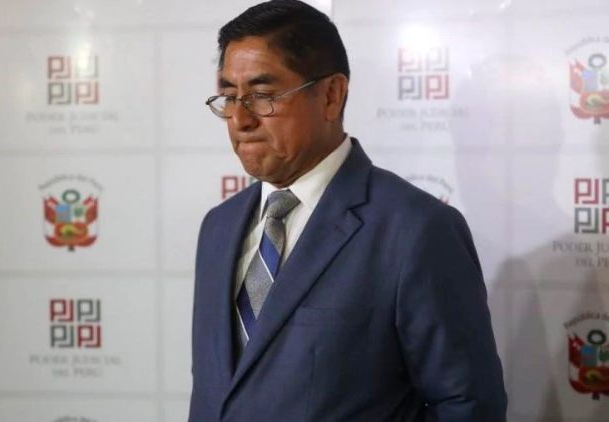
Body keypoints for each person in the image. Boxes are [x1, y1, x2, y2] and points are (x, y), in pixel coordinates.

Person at [189, 1, 507, 420]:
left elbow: (467, 406)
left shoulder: (416, 230)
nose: (239, 120)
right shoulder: (218, 227)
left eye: (262, 96)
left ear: (331, 95)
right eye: (230, 97)